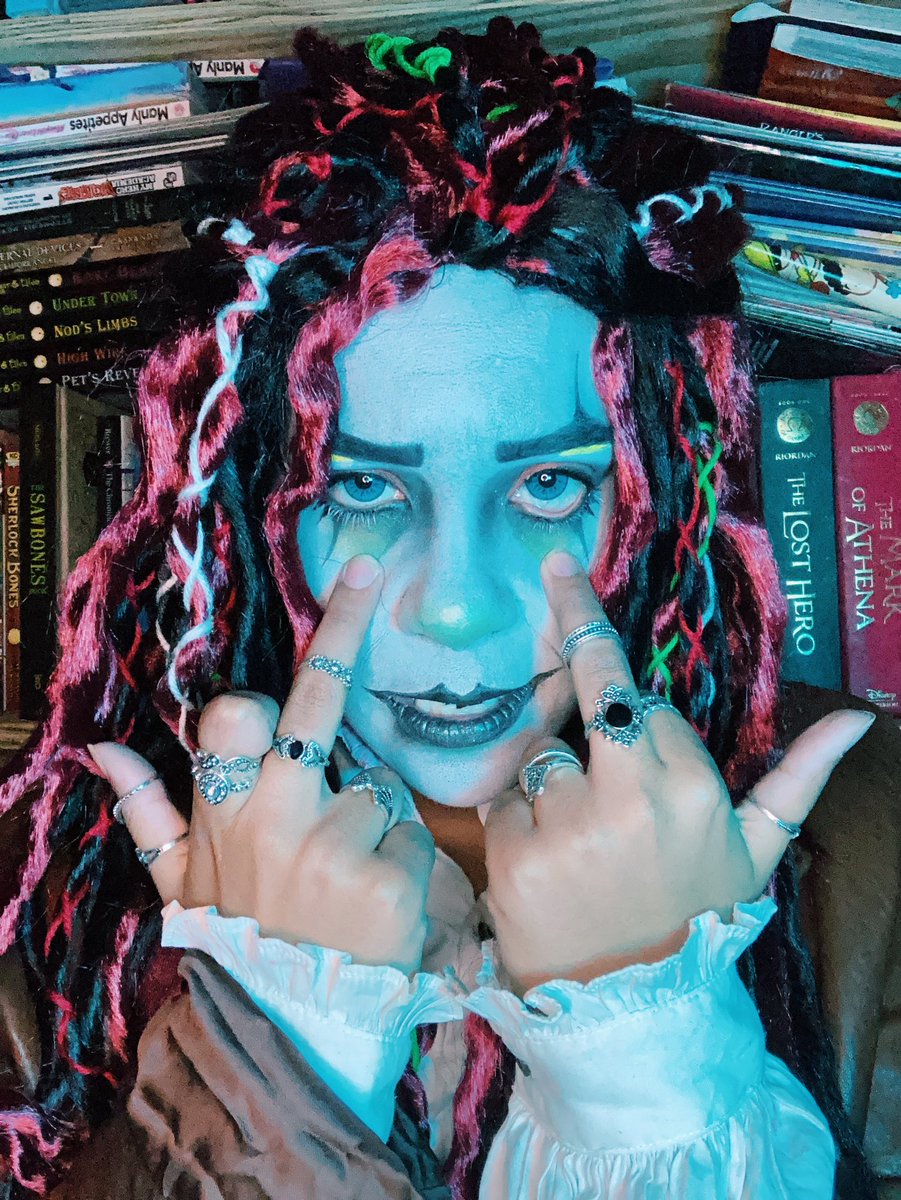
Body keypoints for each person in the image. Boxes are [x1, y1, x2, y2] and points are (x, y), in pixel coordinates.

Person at [0, 20, 891, 1199]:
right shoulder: (38, 923)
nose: (460, 611)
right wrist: (274, 1048)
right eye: (364, 489)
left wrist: (650, 1059)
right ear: (248, 510)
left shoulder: (879, 854)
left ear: (656, 497)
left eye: (549, 484)